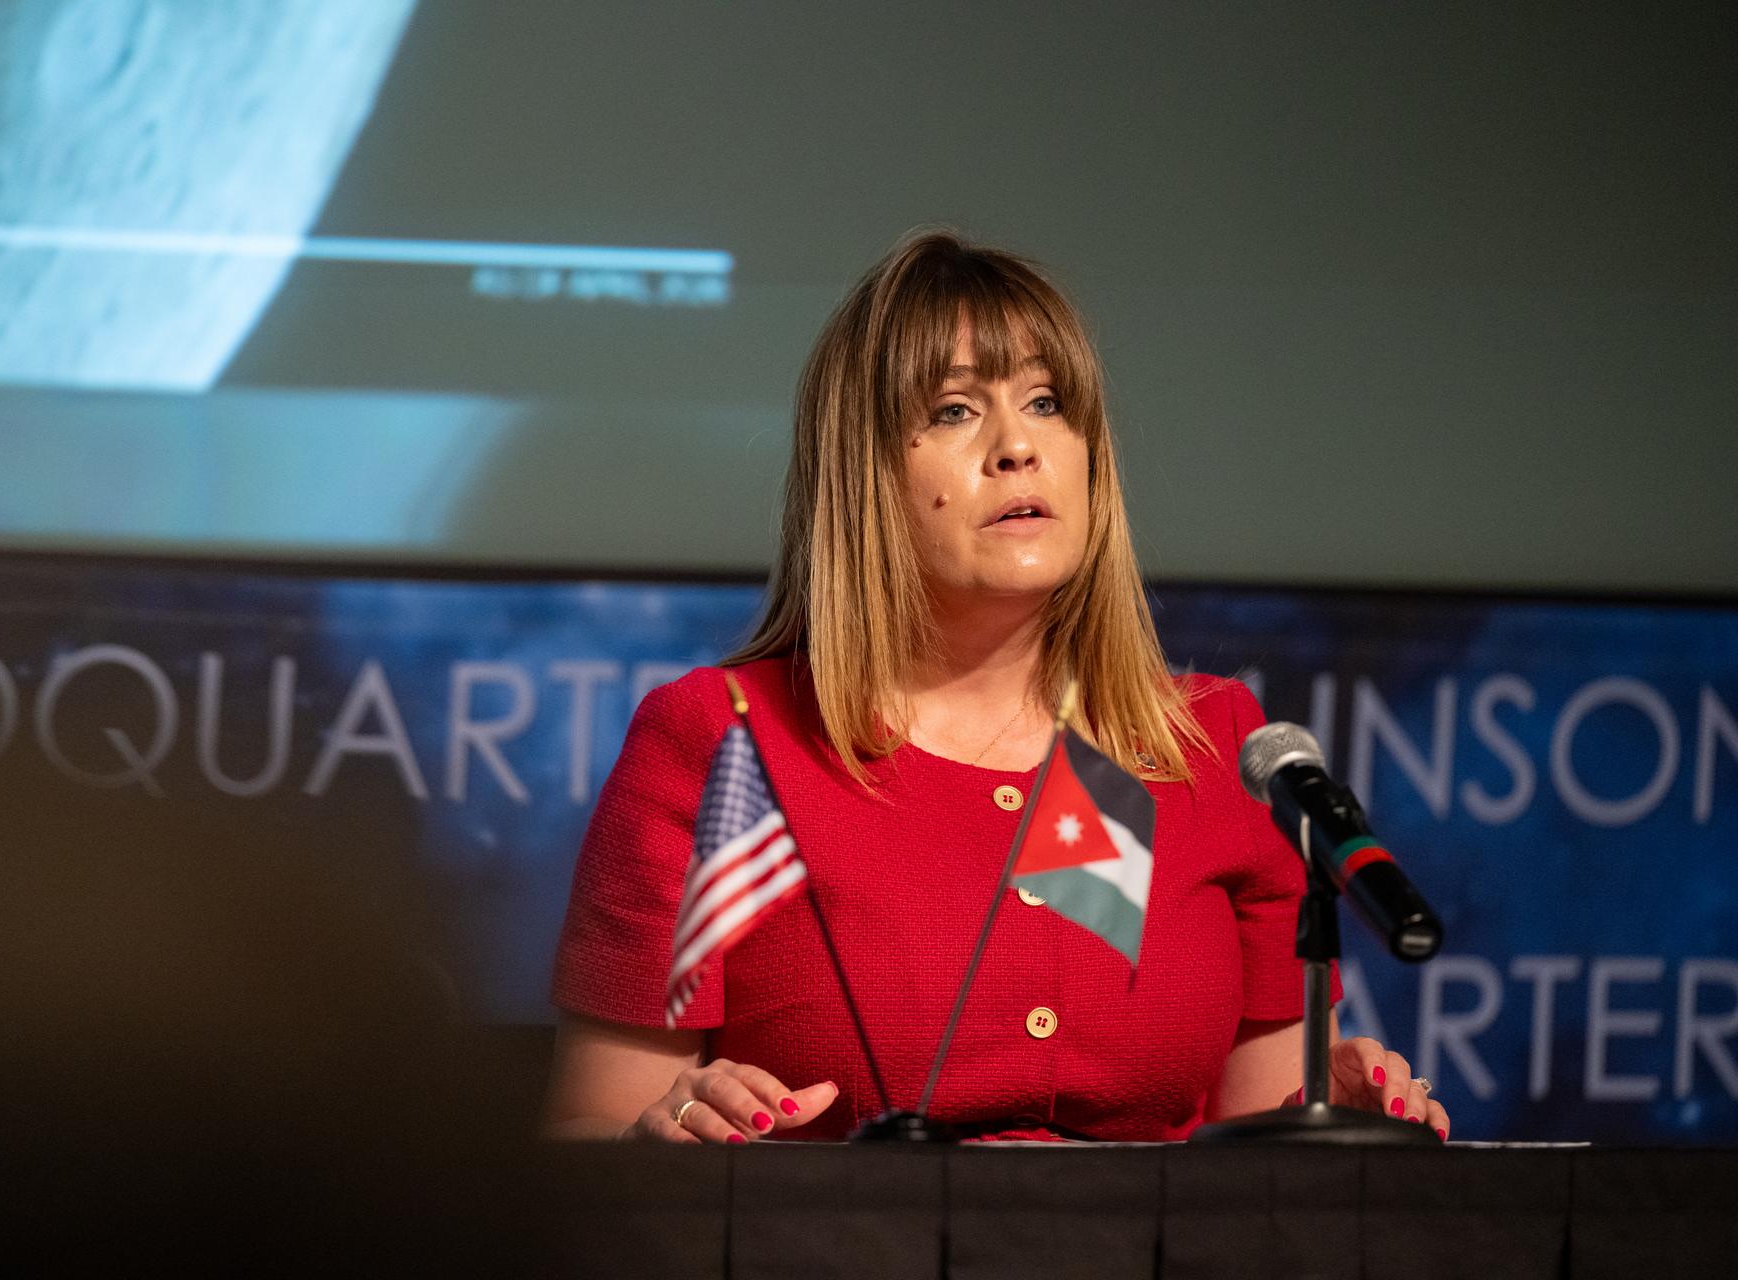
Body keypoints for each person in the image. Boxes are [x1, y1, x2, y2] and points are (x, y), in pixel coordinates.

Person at [543, 230, 1450, 1144]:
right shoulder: (723, 740)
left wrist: (1334, 1125)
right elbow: (587, 1135)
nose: (1019, 447)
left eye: (1048, 402)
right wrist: (658, 1135)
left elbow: (1262, 1174)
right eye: (953, 411)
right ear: (864, 473)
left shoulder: (1215, 748)